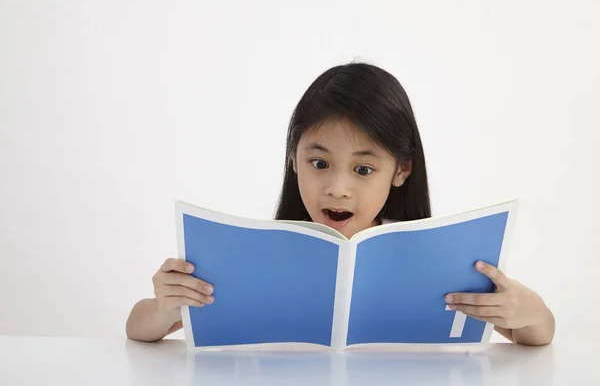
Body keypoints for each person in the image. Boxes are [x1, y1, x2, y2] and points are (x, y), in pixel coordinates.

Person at [126, 62, 555, 346]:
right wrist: (166, 307)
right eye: (319, 162)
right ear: (294, 159)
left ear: (401, 170)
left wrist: (528, 310)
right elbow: (137, 329)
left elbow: (538, 334)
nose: (337, 188)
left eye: (363, 170)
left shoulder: (436, 258)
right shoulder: (255, 255)